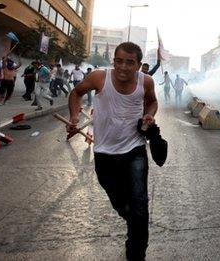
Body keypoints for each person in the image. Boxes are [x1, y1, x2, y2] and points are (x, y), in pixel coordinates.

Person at [67, 42, 157, 261]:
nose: (123, 67)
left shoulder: (146, 81)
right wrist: (74, 116)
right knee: (120, 203)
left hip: (134, 149)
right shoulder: (100, 77)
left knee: (140, 204)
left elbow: (152, 101)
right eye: (119, 61)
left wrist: (149, 115)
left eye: (130, 62)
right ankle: (134, 222)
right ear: (113, 61)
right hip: (104, 153)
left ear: (138, 65)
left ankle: (136, 253)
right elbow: (76, 93)